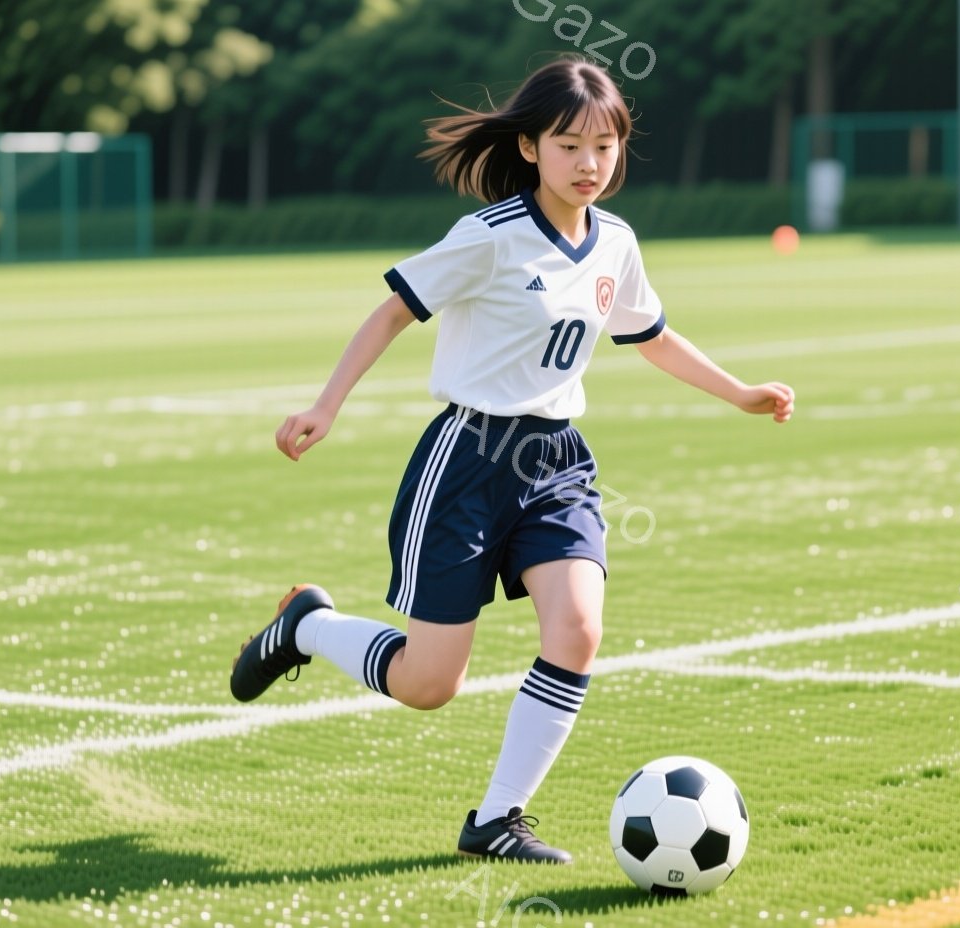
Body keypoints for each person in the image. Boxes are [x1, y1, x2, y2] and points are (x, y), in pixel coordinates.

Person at [230, 56, 795, 864]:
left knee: (578, 626)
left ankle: (497, 819)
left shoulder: (617, 245)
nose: (590, 163)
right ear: (530, 147)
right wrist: (326, 404)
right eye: (570, 145)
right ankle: (309, 626)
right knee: (430, 685)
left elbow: (653, 338)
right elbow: (393, 312)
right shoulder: (489, 238)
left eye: (606, 147)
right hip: (467, 458)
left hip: (558, 461)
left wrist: (739, 392)